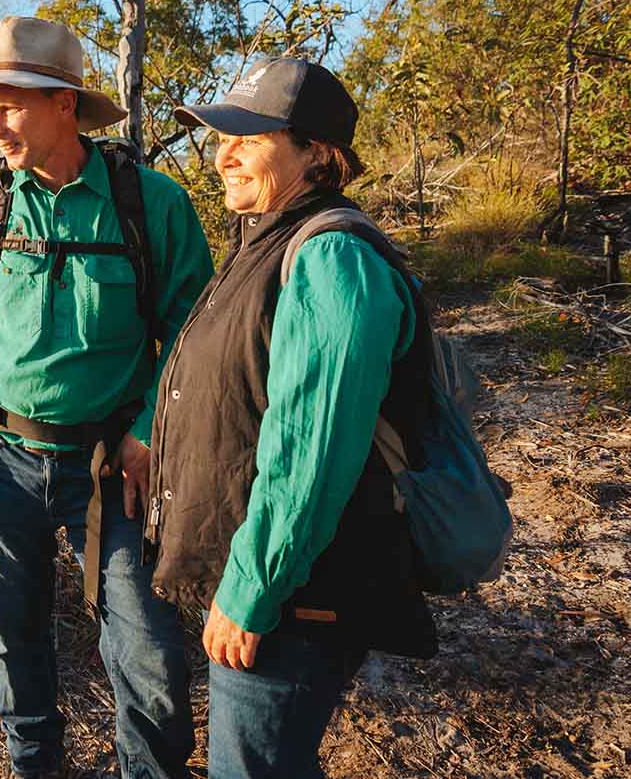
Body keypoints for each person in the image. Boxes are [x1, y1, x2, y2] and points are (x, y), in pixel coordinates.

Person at [0, 16, 214, 779]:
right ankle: (33, 767)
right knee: (16, 638)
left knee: (145, 648)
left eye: (10, 105)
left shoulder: (152, 206)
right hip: (1, 462)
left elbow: (193, 338)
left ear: (65, 105)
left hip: (115, 467)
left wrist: (149, 431)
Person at [143, 57, 437, 779]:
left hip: (297, 599)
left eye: (249, 135)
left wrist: (251, 590)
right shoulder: (264, 244)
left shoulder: (332, 259)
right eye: (219, 136)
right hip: (272, 585)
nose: (224, 153)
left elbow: (312, 448)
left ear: (319, 155)